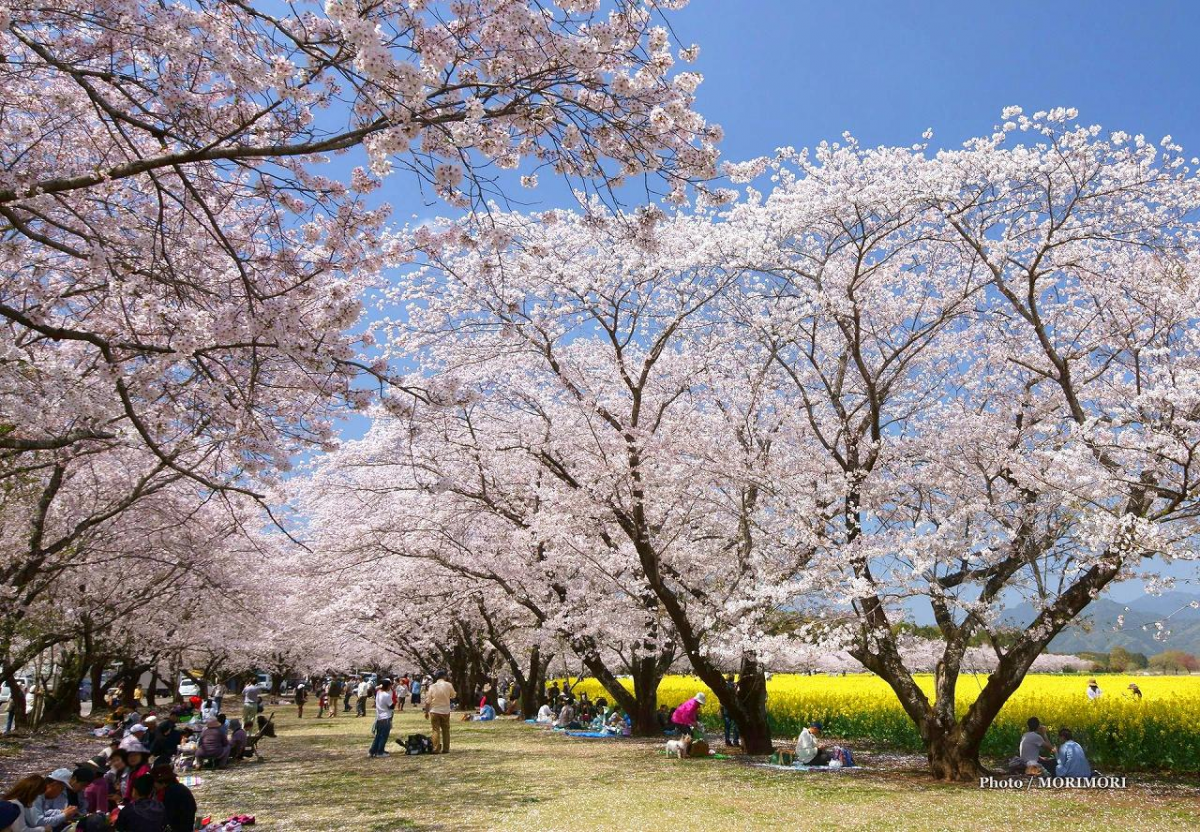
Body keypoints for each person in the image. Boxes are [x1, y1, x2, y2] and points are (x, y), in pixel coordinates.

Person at [152, 765, 197, 832]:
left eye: (154, 782)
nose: (153, 785)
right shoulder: (178, 787)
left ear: (163, 783)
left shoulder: (171, 793)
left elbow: (168, 817)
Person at [423, 671, 457, 754]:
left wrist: (426, 712)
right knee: (446, 730)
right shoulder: (448, 685)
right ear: (444, 676)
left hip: (434, 710)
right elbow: (453, 695)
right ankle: (446, 748)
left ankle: (436, 748)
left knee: (435, 730)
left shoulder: (432, 686)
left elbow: (428, 701)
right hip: (445, 710)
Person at [368, 679, 394, 758]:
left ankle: (372, 751)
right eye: (390, 685)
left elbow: (373, 689)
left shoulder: (378, 693)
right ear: (388, 686)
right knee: (384, 736)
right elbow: (391, 706)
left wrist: (380, 686)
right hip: (386, 717)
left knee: (378, 735)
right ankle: (380, 752)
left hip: (379, 717)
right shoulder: (386, 695)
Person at [721, 674, 740, 747]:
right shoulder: (735, 686)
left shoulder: (724, 687)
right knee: (736, 726)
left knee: (727, 727)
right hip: (735, 709)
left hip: (726, 709)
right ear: (733, 679)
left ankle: (727, 741)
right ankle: (736, 741)